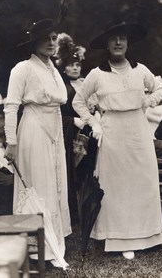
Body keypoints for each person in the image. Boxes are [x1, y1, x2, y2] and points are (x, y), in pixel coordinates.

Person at [72, 22, 162, 260]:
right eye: (113, 39)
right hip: (113, 132)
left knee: (145, 179)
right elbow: (78, 102)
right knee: (117, 185)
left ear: (128, 43)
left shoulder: (140, 70)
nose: (118, 43)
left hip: (138, 129)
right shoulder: (97, 74)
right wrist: (94, 123)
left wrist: (148, 102)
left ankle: (156, 235)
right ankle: (122, 238)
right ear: (107, 45)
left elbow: (159, 90)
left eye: (122, 39)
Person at [4, 19, 71, 266]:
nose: (51, 43)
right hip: (33, 129)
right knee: (38, 186)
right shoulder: (22, 68)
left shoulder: (54, 70)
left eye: (54, 38)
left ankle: (55, 243)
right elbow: (11, 106)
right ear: (34, 41)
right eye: (46, 37)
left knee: (55, 185)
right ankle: (39, 248)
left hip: (55, 131)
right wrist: (11, 142)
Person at [55, 33, 98, 225]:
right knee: (73, 174)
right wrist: (73, 121)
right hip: (69, 135)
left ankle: (90, 211)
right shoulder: (61, 87)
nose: (74, 67)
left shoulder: (85, 83)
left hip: (89, 133)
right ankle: (73, 215)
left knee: (90, 171)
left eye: (77, 64)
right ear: (63, 66)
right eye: (71, 64)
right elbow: (56, 114)